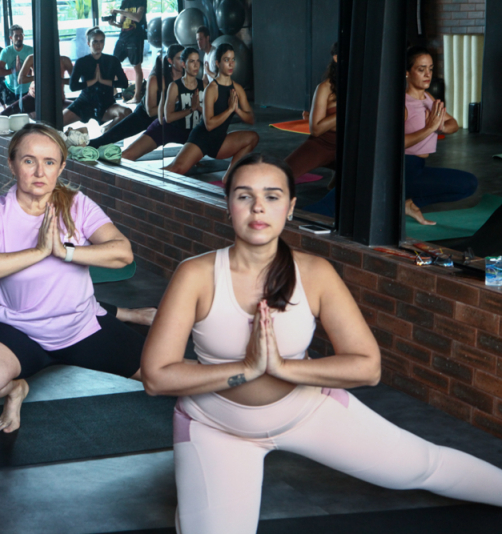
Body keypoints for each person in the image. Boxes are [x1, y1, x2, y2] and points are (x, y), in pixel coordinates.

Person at [140, 153, 502, 534]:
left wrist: (282, 368)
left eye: (272, 196)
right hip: (216, 426)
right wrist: (246, 369)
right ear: (228, 204)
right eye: (244, 196)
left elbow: (368, 368)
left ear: (290, 207)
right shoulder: (196, 275)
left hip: (308, 410)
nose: (258, 207)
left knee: (421, 467)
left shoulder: (314, 273)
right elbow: (156, 377)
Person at [0, 123, 148, 433]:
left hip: (82, 327)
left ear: (60, 167)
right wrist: (39, 251)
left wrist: (65, 252)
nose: (39, 172)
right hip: (19, 331)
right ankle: (16, 389)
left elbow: (122, 253)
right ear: (12, 164)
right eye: (28, 160)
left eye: (49, 162)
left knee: (162, 377)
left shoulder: (76, 204)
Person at [403, 46, 477, 226]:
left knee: (469, 184)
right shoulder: (403, 104)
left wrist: (440, 126)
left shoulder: (427, 97)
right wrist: (430, 128)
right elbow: (394, 143)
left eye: (430, 68)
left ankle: (411, 204)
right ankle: (404, 202)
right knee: (467, 184)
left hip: (418, 166)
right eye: (421, 69)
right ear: (407, 73)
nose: (427, 74)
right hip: (404, 168)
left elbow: (453, 124)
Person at [165, 44, 258, 177]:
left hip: (220, 141)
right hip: (202, 138)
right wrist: (229, 110)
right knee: (176, 169)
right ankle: (142, 178)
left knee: (253, 138)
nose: (231, 64)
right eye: (226, 60)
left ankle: (229, 177)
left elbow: (251, 119)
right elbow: (209, 125)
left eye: (233, 59)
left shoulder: (237, 89)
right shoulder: (211, 89)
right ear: (217, 63)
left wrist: (237, 109)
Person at [88, 44, 183, 150]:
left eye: (185, 58)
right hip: (145, 116)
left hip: (170, 118)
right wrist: (174, 102)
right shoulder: (157, 78)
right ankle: (88, 145)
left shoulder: (189, 76)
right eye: (179, 58)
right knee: (104, 140)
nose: (183, 62)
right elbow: (151, 112)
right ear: (170, 61)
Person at [122, 46, 201, 161]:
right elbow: (162, 118)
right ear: (184, 64)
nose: (196, 65)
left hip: (189, 131)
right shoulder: (173, 85)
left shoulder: (202, 85)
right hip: (166, 127)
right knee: (127, 155)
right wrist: (190, 109)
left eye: (198, 61)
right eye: (191, 61)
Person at [284, 42, 338, 183]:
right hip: (324, 143)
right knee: (280, 175)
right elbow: (316, 129)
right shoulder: (325, 88)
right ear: (337, 58)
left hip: (352, 146)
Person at [64, 27, 131, 133]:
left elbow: (124, 83)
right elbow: (73, 86)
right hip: (84, 102)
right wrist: (93, 81)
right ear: (88, 43)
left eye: (101, 41)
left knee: (127, 112)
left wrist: (102, 81)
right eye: (95, 41)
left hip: (107, 104)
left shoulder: (113, 60)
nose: (98, 45)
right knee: (56, 122)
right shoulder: (81, 62)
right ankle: (72, 135)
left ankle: (106, 130)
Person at [0, 52, 73, 118]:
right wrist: (39, 77)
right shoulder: (32, 58)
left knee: (79, 109)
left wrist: (57, 80)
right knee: (2, 116)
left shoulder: (64, 60)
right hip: (34, 98)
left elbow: (74, 81)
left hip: (57, 100)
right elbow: (20, 79)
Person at [108, 0, 146, 104]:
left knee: (137, 67)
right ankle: (113, 92)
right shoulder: (124, 2)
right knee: (112, 63)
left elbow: (138, 18)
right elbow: (122, 24)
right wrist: (113, 23)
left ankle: (137, 96)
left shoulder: (140, 2)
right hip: (122, 38)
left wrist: (119, 11)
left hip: (135, 39)